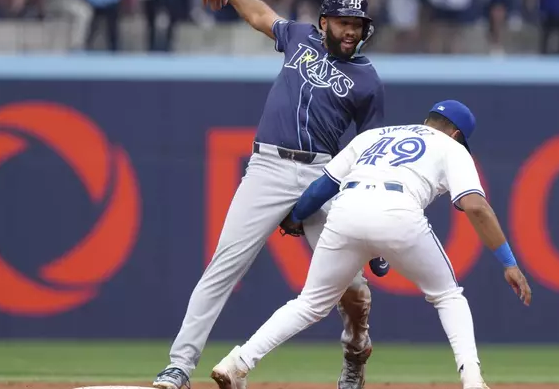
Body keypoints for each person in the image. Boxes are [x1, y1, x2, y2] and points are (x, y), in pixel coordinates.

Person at [209, 100, 532, 389]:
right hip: (398, 210)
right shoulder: (452, 148)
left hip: (346, 209)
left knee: (308, 304)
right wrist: (508, 262)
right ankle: (472, 381)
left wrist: (295, 217)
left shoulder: (373, 136)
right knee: (448, 295)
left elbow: (322, 188)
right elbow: (475, 206)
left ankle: (238, 362)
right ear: (458, 134)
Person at [152, 0, 388, 389]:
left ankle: (354, 354)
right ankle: (179, 366)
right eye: (344, 22)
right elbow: (260, 14)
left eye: (358, 24)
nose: (351, 31)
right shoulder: (299, 37)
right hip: (268, 167)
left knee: (351, 286)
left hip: (323, 174)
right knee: (223, 267)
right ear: (325, 21)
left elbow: (370, 154)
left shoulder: (367, 80)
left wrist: (372, 222)